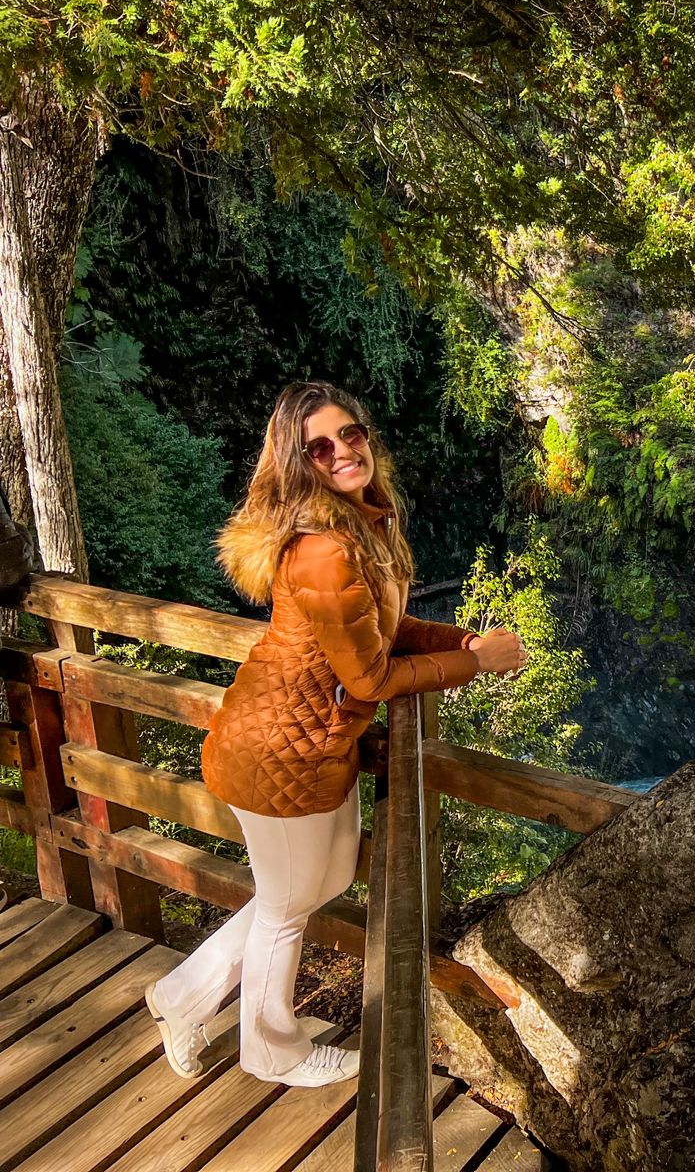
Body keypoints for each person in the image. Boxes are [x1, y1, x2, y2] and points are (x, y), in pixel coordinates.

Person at [143, 381, 526, 1088]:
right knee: (288, 908)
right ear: (299, 464)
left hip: (310, 744)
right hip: (276, 749)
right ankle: (271, 1050)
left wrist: (465, 638)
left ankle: (181, 996)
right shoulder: (324, 550)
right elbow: (371, 679)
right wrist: (473, 664)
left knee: (311, 886)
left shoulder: (360, 523)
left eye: (352, 435)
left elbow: (385, 630)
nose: (345, 452)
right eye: (321, 447)